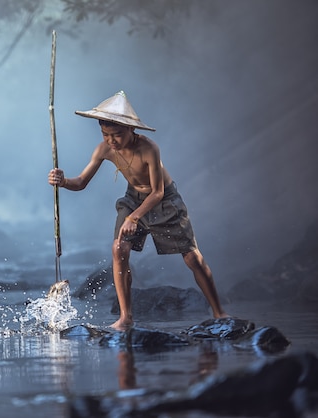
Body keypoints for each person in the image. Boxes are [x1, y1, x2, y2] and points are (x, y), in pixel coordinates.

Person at [47, 91, 228, 330]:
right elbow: (80, 182)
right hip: (133, 198)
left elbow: (158, 192)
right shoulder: (104, 149)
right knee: (118, 247)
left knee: (192, 257)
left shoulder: (148, 149)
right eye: (105, 134)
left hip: (164, 199)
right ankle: (125, 317)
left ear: (131, 130)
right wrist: (63, 181)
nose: (111, 141)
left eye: (117, 135)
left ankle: (219, 312)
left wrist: (134, 217)